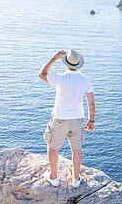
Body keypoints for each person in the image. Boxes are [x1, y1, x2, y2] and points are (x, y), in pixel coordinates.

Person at [38, 48, 95, 187]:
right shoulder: (86, 80)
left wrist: (53, 59)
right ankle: (76, 180)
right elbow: (91, 102)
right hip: (78, 119)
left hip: (60, 119)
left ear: (66, 63)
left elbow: (42, 74)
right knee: (76, 149)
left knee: (53, 147)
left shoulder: (60, 78)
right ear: (78, 64)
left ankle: (53, 178)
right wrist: (91, 120)